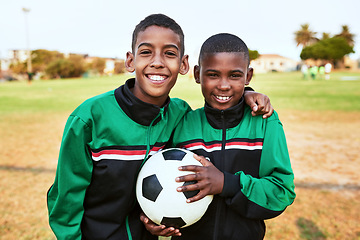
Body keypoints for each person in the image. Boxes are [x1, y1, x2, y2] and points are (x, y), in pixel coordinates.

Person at [47, 15, 273, 240]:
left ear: (183, 64)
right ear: (130, 60)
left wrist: (246, 93)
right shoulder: (90, 119)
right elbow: (66, 200)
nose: (157, 62)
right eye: (146, 52)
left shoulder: (180, 115)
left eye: (169, 53)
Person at [143, 33, 296, 239]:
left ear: (248, 76)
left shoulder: (264, 122)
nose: (223, 85)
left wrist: (226, 184)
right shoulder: (182, 124)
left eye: (234, 75)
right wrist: (153, 218)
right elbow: (155, 179)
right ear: (197, 74)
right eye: (213, 75)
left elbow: (280, 192)